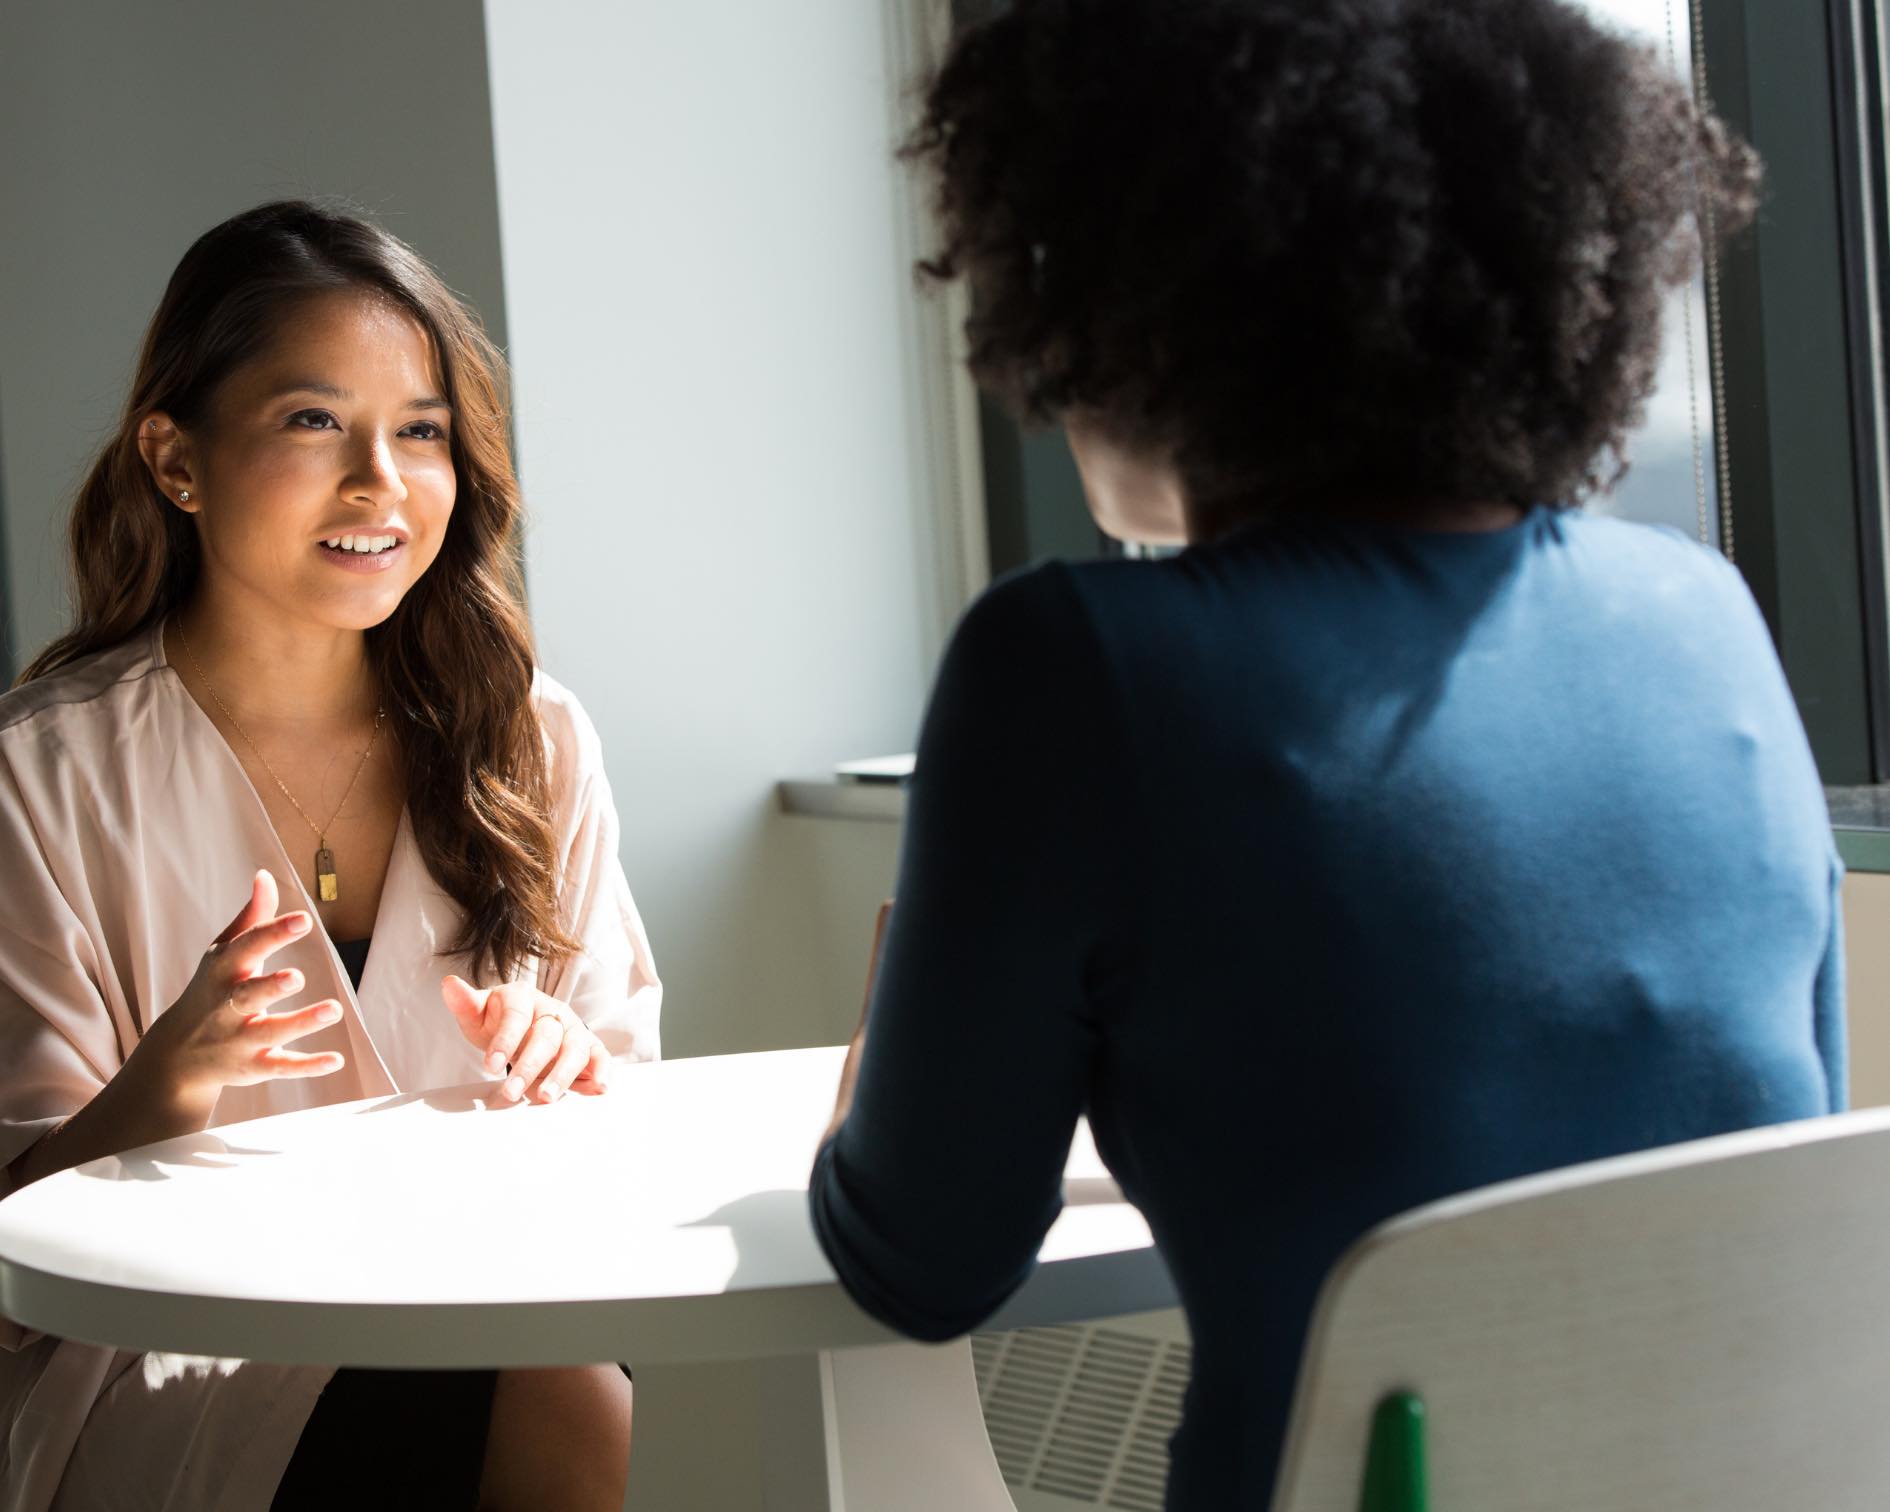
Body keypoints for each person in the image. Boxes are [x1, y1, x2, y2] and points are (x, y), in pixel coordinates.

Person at [808, 2, 1844, 1507]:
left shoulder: (1076, 666)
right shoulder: (1706, 616)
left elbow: (921, 1263)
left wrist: (865, 1088)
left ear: (1130, 288)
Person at [0, 201, 657, 1512]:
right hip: (165, 1358)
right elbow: (16, 1264)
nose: (381, 482)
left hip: (488, 1302)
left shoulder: (532, 738)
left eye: (421, 431)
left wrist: (571, 1067)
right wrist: (162, 1092)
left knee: (572, 1364)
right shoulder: (43, 773)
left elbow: (629, 1130)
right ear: (175, 460)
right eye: (314, 423)